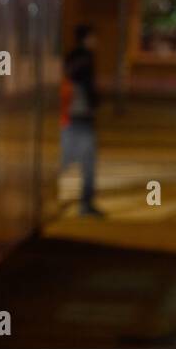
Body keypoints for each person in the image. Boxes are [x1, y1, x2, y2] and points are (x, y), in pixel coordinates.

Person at [61, 24, 104, 217]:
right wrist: (95, 102)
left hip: (70, 115)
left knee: (69, 158)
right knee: (85, 161)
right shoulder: (86, 58)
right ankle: (86, 204)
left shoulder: (70, 57)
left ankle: (86, 202)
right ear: (86, 38)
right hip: (81, 115)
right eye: (94, 37)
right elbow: (87, 88)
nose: (96, 41)